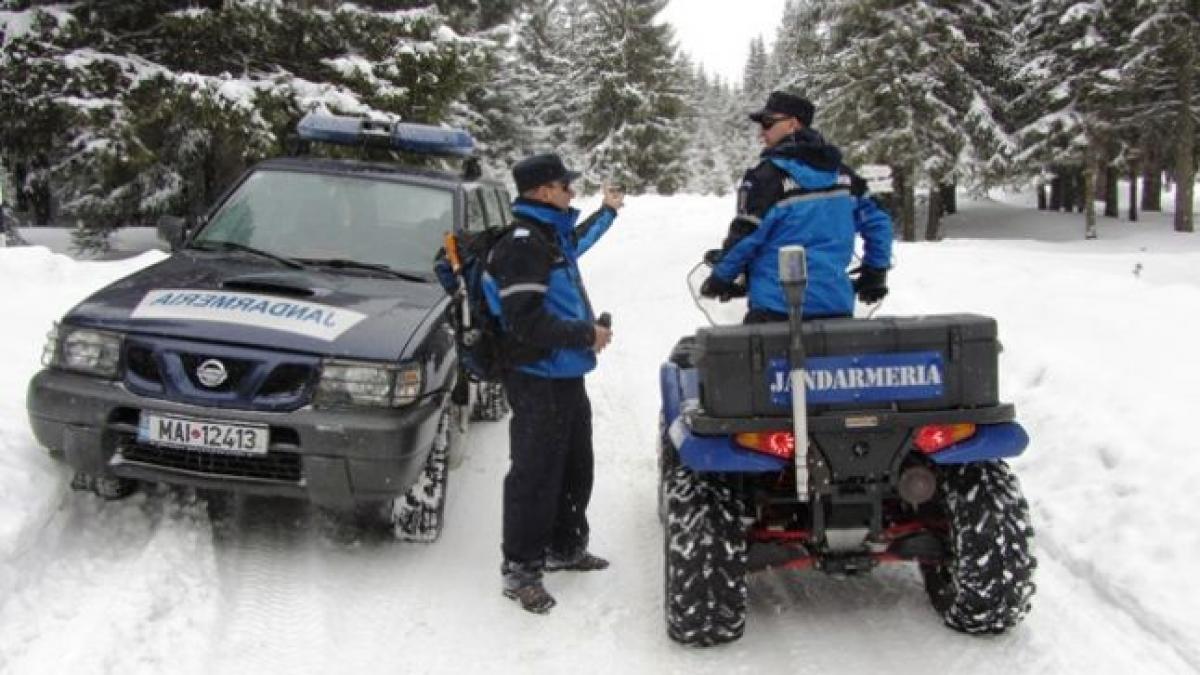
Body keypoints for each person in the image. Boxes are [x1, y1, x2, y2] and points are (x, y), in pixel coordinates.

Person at [484, 152, 624, 614]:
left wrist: (608, 212)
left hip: (564, 374)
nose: (571, 192)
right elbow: (524, 322)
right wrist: (586, 334)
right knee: (535, 473)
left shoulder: (550, 237)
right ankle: (521, 569)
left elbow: (579, 242)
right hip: (536, 377)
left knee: (574, 466)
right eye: (566, 186)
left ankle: (565, 547)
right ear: (544, 191)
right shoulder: (523, 244)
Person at [701, 91, 893, 322]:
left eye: (768, 122)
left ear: (793, 124)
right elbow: (878, 221)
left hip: (776, 308)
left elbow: (747, 235)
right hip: (835, 308)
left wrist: (720, 278)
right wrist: (876, 271)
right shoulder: (843, 175)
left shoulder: (767, 178)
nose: (762, 132)